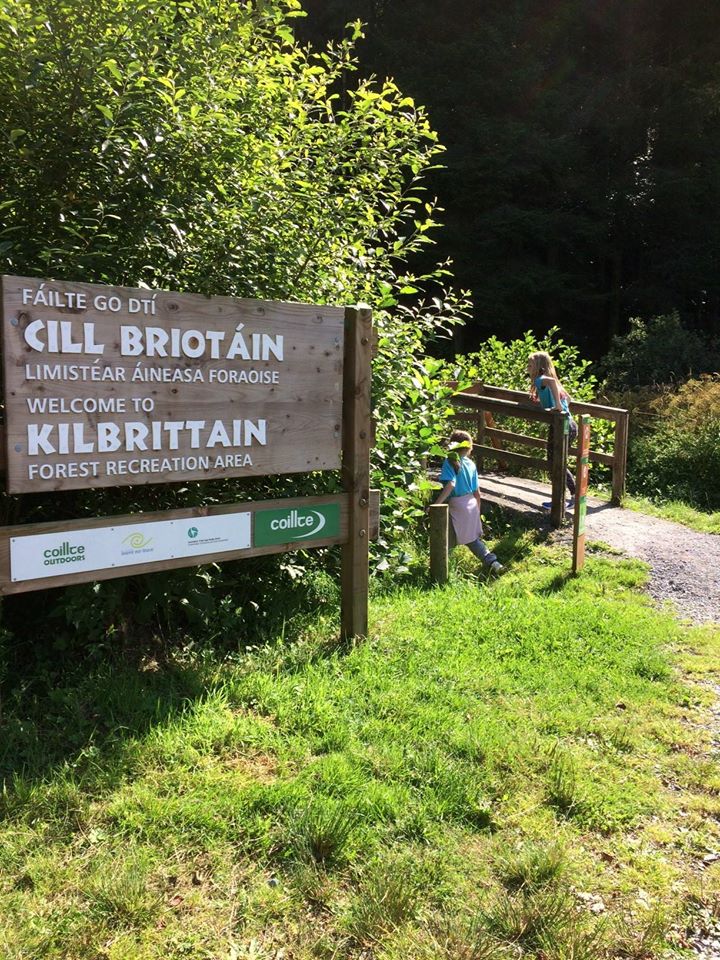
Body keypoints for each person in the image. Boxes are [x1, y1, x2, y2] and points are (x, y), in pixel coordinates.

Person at [430, 429, 504, 575]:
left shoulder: (449, 462)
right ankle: (493, 563)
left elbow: (450, 484)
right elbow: (478, 493)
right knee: (472, 540)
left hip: (457, 505)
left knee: (447, 540)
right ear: (469, 447)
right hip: (471, 504)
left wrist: (437, 504)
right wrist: (477, 513)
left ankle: (442, 572)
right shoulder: (470, 464)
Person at [526, 350, 577, 510]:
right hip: (568, 424)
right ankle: (565, 497)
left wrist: (556, 406)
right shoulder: (550, 379)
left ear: (538, 366)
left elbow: (554, 387)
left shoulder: (542, 379)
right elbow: (569, 398)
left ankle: (562, 499)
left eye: (530, 365)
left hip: (561, 424)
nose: (527, 368)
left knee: (555, 462)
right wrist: (555, 401)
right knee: (556, 461)